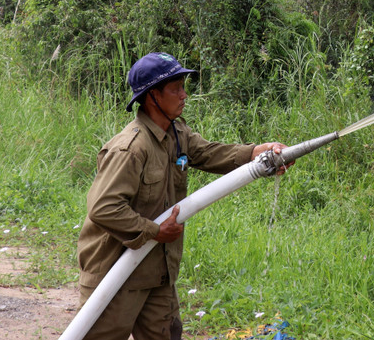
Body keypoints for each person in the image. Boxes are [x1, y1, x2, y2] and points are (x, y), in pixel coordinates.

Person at [76, 52, 287, 340]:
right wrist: (153, 230)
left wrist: (255, 154)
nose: (184, 95)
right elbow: (103, 208)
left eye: (183, 86)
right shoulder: (131, 149)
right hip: (116, 275)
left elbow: (209, 153)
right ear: (152, 97)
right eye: (176, 88)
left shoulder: (177, 134)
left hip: (158, 272)